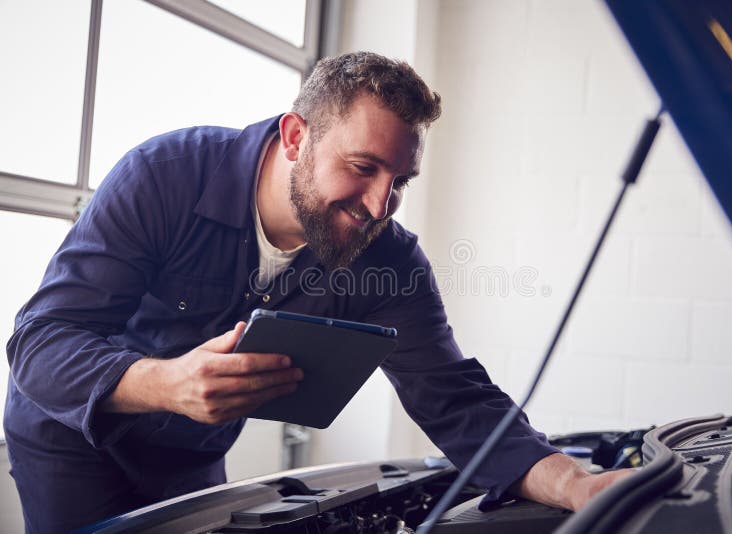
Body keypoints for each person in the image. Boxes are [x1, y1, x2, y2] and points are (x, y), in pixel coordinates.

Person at [4, 51, 629, 533]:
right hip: (72, 441)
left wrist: (579, 488)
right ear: (297, 136)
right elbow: (40, 342)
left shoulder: (388, 258)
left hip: (189, 453)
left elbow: (456, 399)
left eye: (401, 179)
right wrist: (165, 383)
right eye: (363, 168)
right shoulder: (163, 177)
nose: (382, 204)